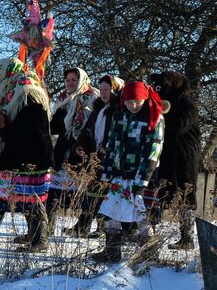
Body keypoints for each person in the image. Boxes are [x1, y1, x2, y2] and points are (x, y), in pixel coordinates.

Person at [0, 59, 54, 249]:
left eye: (0, 71)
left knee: (30, 199)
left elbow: (32, 123)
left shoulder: (28, 90)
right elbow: (9, 112)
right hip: (17, 153)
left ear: (8, 71)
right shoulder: (16, 88)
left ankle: (38, 241)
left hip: (29, 154)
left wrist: (3, 134)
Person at [92, 81, 165, 262]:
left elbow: (153, 151)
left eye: (137, 101)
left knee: (141, 214)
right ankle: (112, 251)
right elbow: (112, 144)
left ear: (145, 98)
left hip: (140, 175)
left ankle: (149, 252)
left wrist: (143, 181)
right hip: (119, 172)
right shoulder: (120, 115)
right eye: (129, 101)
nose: (133, 105)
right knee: (110, 210)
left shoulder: (154, 117)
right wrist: (107, 171)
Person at [146, 71, 201, 249]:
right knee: (159, 190)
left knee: (185, 193)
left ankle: (187, 237)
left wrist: (162, 114)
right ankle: (151, 232)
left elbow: (178, 126)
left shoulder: (187, 104)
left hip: (184, 154)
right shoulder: (160, 101)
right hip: (165, 152)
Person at [67, 73, 124, 237]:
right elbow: (87, 131)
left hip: (110, 159)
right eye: (102, 89)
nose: (104, 92)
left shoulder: (118, 111)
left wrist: (108, 147)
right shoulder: (98, 109)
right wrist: (79, 146)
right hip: (95, 158)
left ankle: (106, 227)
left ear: (114, 90)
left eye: (107, 89)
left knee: (106, 194)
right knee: (91, 193)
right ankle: (83, 226)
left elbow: (117, 133)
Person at [48, 67, 97, 226]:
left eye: (74, 80)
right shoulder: (62, 98)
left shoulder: (91, 97)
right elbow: (54, 127)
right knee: (53, 191)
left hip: (81, 147)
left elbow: (92, 123)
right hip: (63, 147)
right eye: (68, 80)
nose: (70, 83)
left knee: (83, 191)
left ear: (82, 80)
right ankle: (47, 226)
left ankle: (83, 226)